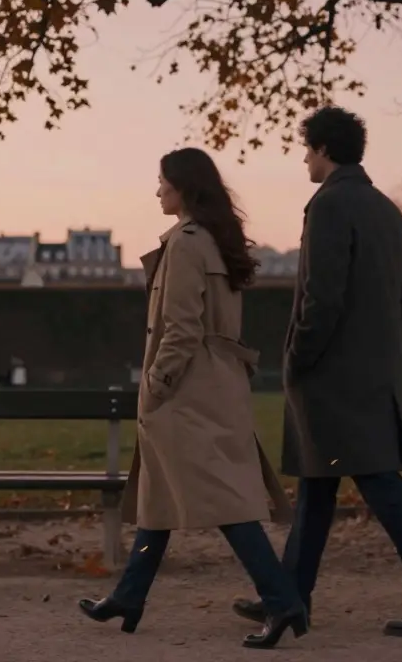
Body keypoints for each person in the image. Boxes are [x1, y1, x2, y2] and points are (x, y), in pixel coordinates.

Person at [230, 106, 402, 636]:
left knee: (377, 484)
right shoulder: (387, 210)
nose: (303, 159)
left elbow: (322, 297)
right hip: (372, 371)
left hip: (332, 378)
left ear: (323, 150)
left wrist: (298, 358)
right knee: (320, 487)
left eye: (306, 149)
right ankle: (288, 597)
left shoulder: (329, 205)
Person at [78, 147, 309, 649]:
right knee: (160, 495)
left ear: (183, 187)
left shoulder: (185, 244)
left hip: (187, 393)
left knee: (224, 501)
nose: (157, 189)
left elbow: (181, 331)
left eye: (162, 181)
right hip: (215, 386)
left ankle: (281, 601)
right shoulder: (213, 241)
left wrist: (156, 386)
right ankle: (129, 596)